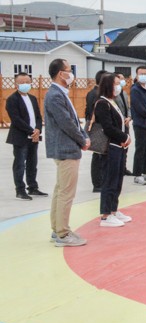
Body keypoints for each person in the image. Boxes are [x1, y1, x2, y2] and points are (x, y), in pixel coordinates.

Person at [44, 58, 90, 246]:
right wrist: (82, 140)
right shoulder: (55, 95)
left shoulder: (61, 93)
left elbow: (74, 121)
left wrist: (83, 135)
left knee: (60, 190)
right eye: (69, 70)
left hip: (67, 147)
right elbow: (66, 123)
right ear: (60, 74)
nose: (71, 74)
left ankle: (57, 229)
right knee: (66, 192)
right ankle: (63, 234)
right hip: (65, 148)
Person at [93, 74, 133, 227]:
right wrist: (124, 137)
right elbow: (108, 127)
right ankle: (105, 215)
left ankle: (114, 210)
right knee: (109, 180)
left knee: (117, 180)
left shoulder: (113, 102)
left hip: (119, 146)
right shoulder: (102, 103)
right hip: (111, 147)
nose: (119, 86)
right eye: (115, 83)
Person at [7, 72, 46, 200]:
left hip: (34, 136)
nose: (25, 84)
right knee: (19, 164)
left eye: (27, 82)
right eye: (22, 82)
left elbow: (38, 117)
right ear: (16, 84)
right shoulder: (12, 99)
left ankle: (33, 187)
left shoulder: (33, 98)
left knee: (32, 163)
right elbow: (16, 119)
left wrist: (38, 130)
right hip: (21, 137)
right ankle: (20, 190)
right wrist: (31, 131)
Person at [85, 69, 107, 193]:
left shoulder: (95, 93)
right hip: (99, 128)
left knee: (100, 155)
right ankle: (97, 183)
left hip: (99, 127)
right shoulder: (96, 94)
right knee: (98, 155)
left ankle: (100, 181)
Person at [114, 73, 134, 177]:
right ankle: (118, 168)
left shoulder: (125, 93)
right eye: (120, 79)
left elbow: (128, 107)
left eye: (123, 79)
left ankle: (123, 167)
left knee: (126, 146)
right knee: (119, 146)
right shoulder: (113, 95)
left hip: (126, 124)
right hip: (118, 124)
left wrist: (129, 117)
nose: (123, 81)